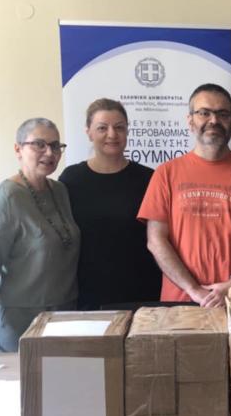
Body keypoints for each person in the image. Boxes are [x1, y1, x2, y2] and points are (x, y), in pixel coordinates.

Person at [137, 84, 231, 307]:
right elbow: (155, 241)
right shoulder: (165, 173)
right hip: (181, 303)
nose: (214, 120)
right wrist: (193, 290)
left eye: (223, 114)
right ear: (190, 120)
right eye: (204, 113)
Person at [0, 118, 80, 359]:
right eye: (39, 144)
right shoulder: (5, 198)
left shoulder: (59, 191)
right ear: (18, 149)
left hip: (63, 316)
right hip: (18, 322)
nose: (49, 153)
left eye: (55, 146)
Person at [59, 98, 161, 310]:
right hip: (87, 291)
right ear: (88, 132)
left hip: (143, 289)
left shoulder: (148, 178)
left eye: (119, 127)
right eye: (102, 128)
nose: (112, 134)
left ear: (127, 131)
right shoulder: (71, 179)